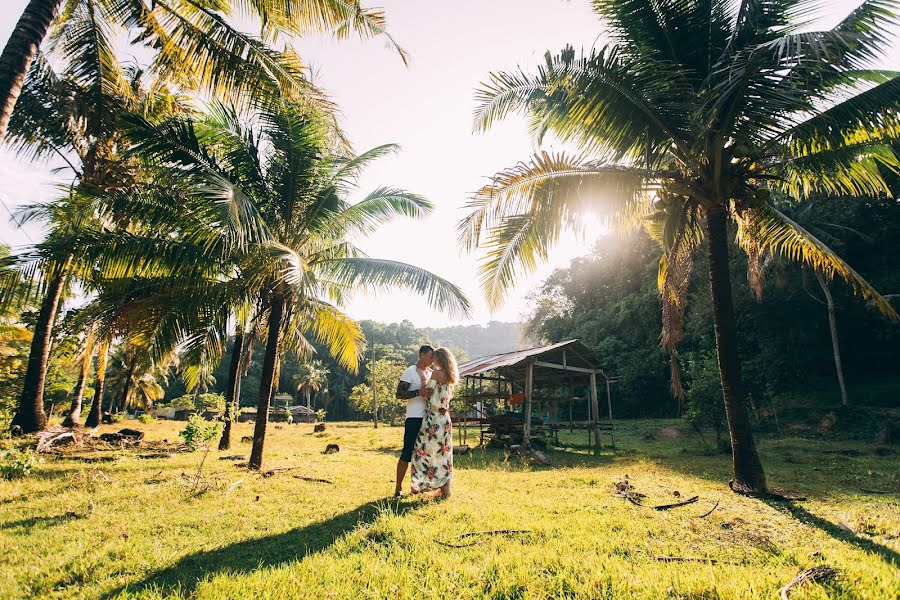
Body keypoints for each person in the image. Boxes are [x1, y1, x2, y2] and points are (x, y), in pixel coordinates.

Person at [410, 347, 457, 500]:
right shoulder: (452, 376)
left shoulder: (436, 373)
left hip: (434, 418)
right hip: (445, 418)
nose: (432, 360)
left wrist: (423, 380)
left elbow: (427, 392)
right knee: (443, 454)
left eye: (434, 357)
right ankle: (445, 489)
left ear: (439, 359)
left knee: (421, 450)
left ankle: (423, 483)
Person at [394, 345, 434, 497]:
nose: (432, 360)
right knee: (407, 452)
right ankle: (398, 488)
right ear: (422, 355)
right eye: (430, 356)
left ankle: (420, 485)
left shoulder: (431, 373)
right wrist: (418, 392)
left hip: (429, 418)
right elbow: (399, 394)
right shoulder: (410, 371)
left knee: (425, 453)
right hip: (414, 418)